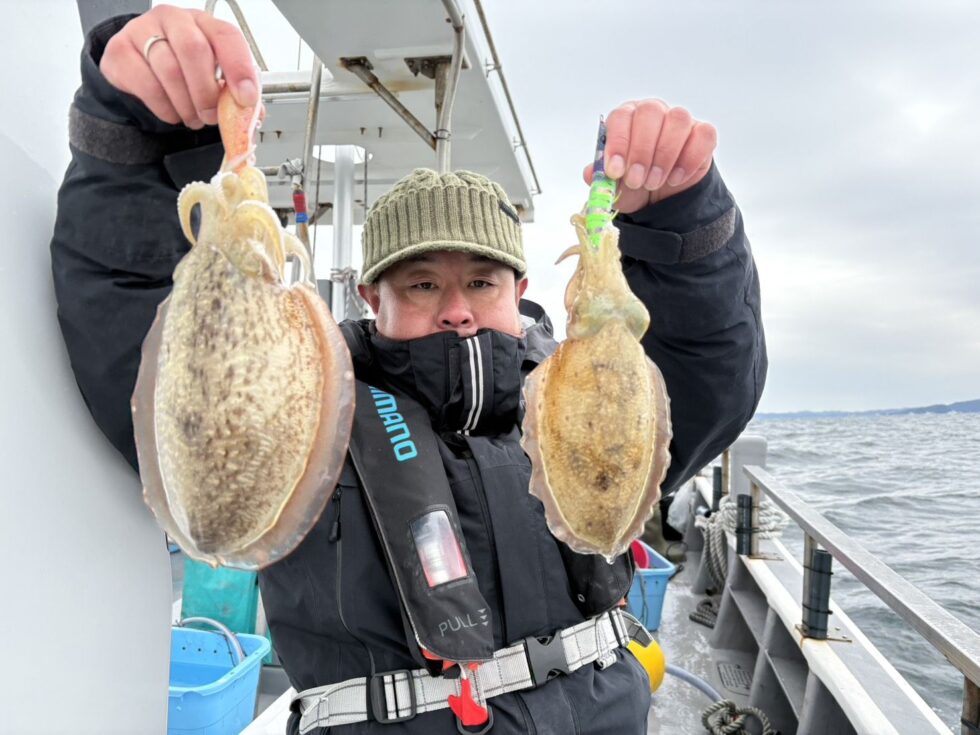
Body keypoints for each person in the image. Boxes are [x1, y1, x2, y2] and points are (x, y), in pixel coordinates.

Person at [51, 6, 766, 734]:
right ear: (372, 297)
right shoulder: (310, 412)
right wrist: (139, 135)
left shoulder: (573, 391)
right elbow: (146, 358)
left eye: (482, 281)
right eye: (422, 284)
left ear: (520, 289)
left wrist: (684, 221)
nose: (456, 309)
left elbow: (708, 384)